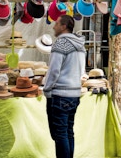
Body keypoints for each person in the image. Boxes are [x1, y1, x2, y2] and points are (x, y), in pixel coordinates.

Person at [44, 15, 85, 158]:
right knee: (68, 131)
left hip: (60, 94)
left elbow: (54, 70)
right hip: (74, 93)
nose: (54, 26)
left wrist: (46, 88)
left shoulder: (60, 44)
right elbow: (81, 70)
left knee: (60, 134)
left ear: (64, 26)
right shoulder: (80, 45)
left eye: (56, 23)